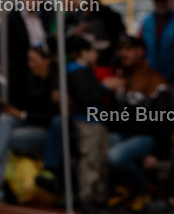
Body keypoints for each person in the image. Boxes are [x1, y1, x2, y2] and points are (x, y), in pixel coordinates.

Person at [0, 45, 56, 203]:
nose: (30, 64)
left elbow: (48, 116)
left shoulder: (55, 81)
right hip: (26, 124)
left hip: (45, 132)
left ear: (47, 61)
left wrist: (21, 114)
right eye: (29, 60)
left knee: (5, 137)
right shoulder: (29, 78)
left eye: (34, 60)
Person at [101, 35, 172, 210]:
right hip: (123, 136)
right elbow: (112, 118)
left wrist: (157, 152)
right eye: (121, 49)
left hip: (145, 139)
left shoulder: (155, 80)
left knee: (114, 155)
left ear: (139, 51)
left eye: (128, 49)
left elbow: (164, 120)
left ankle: (143, 188)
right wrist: (107, 89)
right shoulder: (120, 77)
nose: (123, 53)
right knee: (100, 144)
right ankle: (122, 188)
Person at [64, 35, 110, 213]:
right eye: (93, 50)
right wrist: (104, 88)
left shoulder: (85, 70)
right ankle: (88, 198)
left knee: (100, 160)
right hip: (87, 122)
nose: (96, 54)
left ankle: (98, 197)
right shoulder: (76, 71)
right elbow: (84, 98)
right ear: (83, 52)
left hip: (97, 121)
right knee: (90, 161)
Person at [139, 0, 174, 105]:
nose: (161, 3)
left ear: (171, 0)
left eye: (164, 0)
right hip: (152, 75)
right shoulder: (147, 22)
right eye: (158, 0)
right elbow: (141, 45)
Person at [73, 0, 125, 67]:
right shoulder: (75, 15)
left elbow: (120, 40)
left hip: (105, 65)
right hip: (80, 67)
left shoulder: (111, 15)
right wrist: (75, 32)